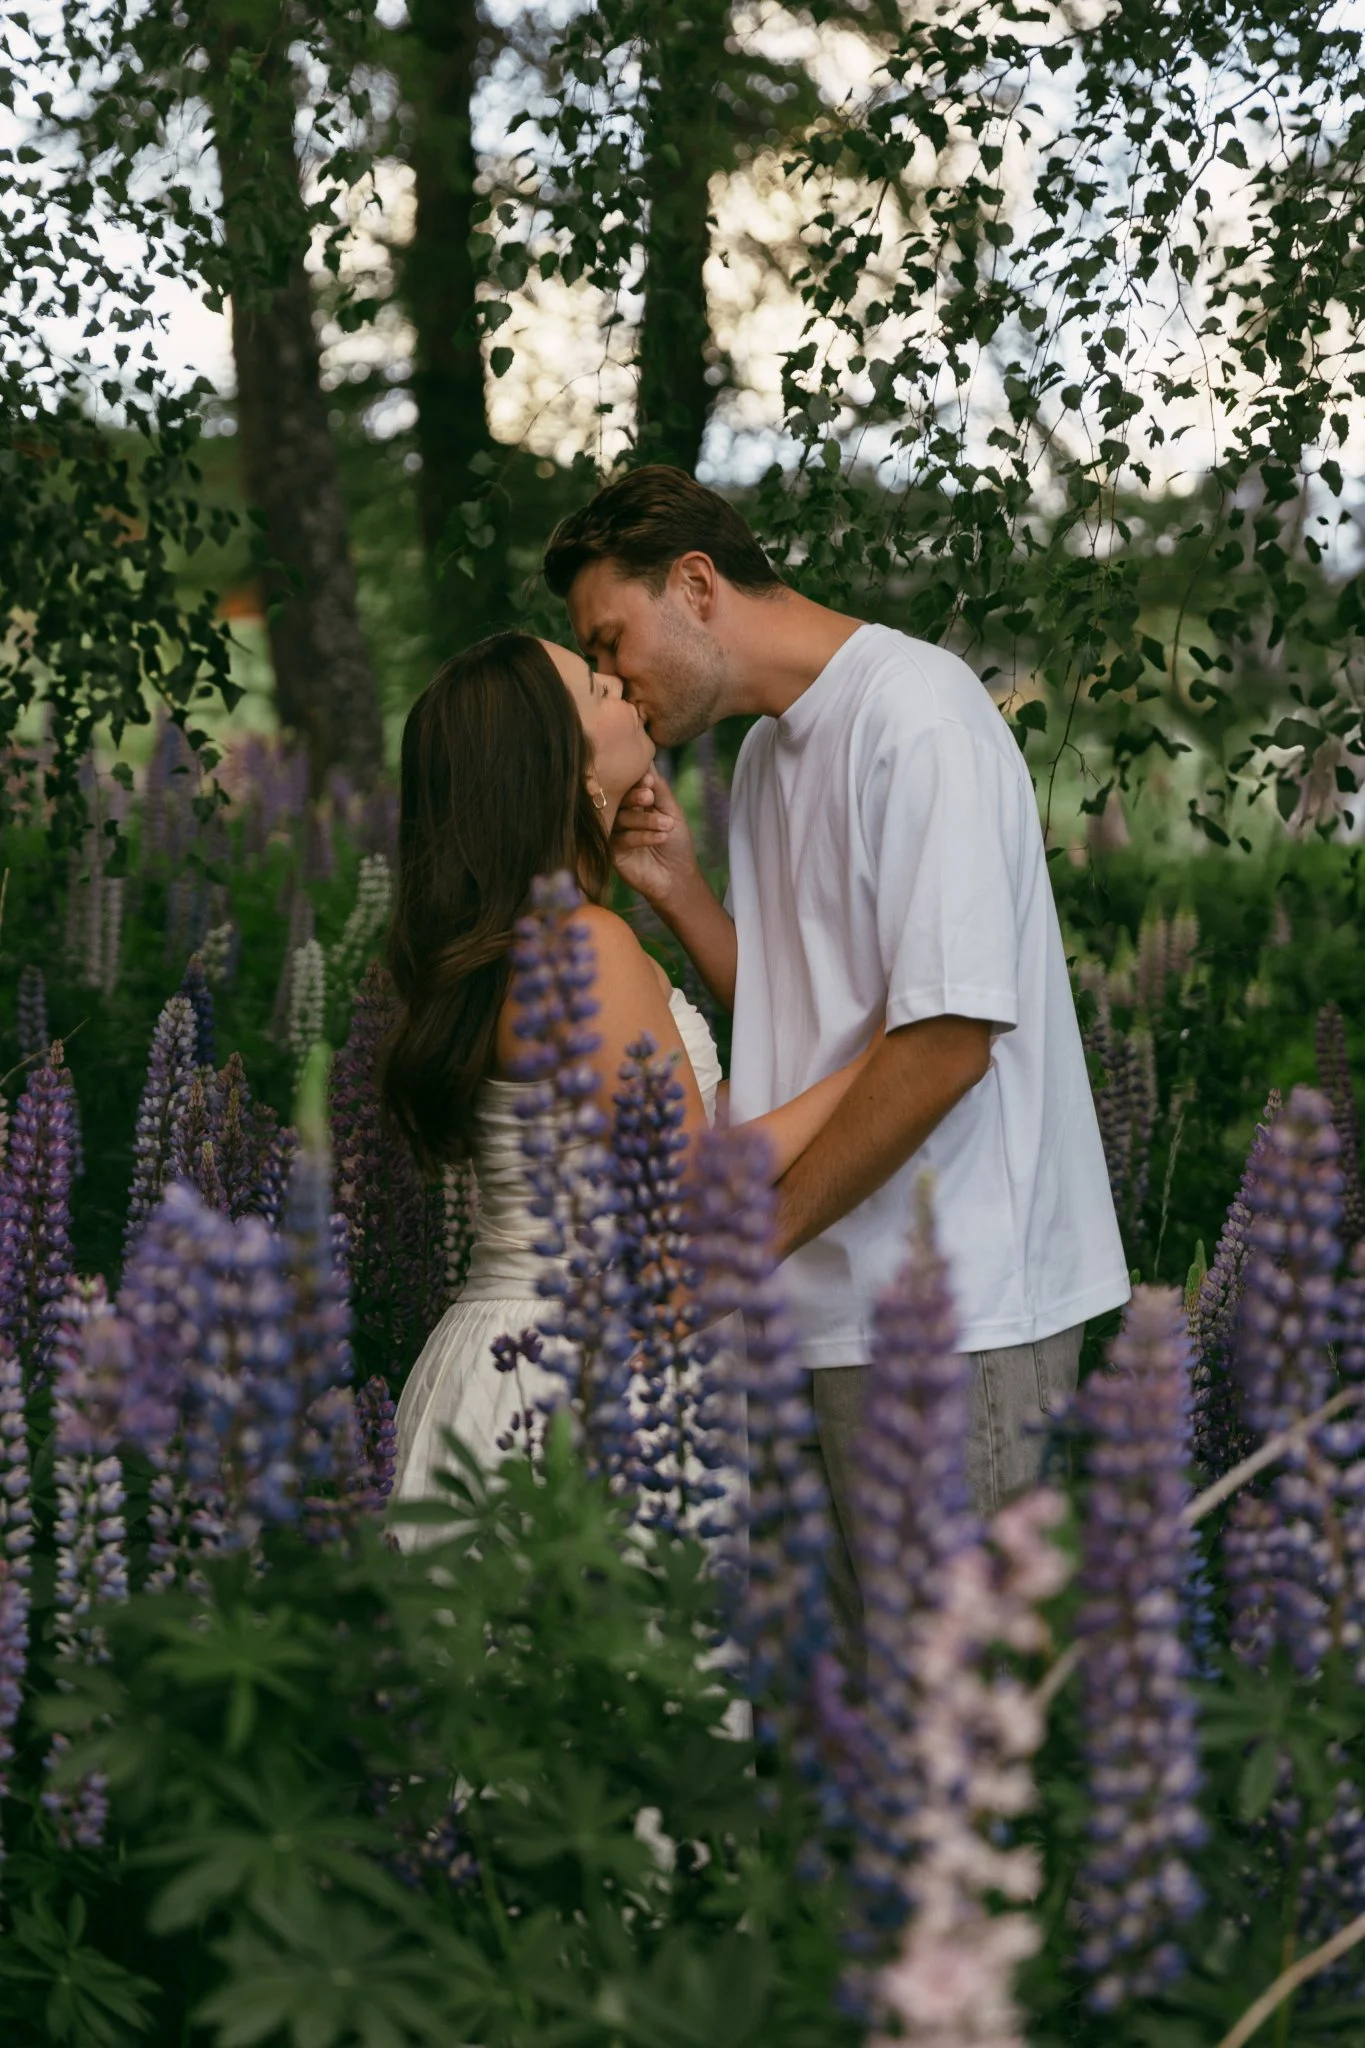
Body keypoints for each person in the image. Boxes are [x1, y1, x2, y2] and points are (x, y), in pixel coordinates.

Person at [541, 465, 1131, 1655]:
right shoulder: (765, 760)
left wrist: (750, 1244)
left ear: (695, 585)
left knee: (956, 1737)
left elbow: (949, 1040)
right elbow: (809, 1022)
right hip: (822, 1311)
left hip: (958, 1315)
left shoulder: (918, 714)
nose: (612, 683)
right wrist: (684, 897)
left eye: (612, 640)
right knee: (859, 1747)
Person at [383, 631, 879, 1511]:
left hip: (520, 1362)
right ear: (563, 770)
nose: (616, 680)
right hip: (578, 1379)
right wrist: (887, 1057)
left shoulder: (535, 941)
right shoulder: (582, 946)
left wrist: (678, 892)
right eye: (592, 687)